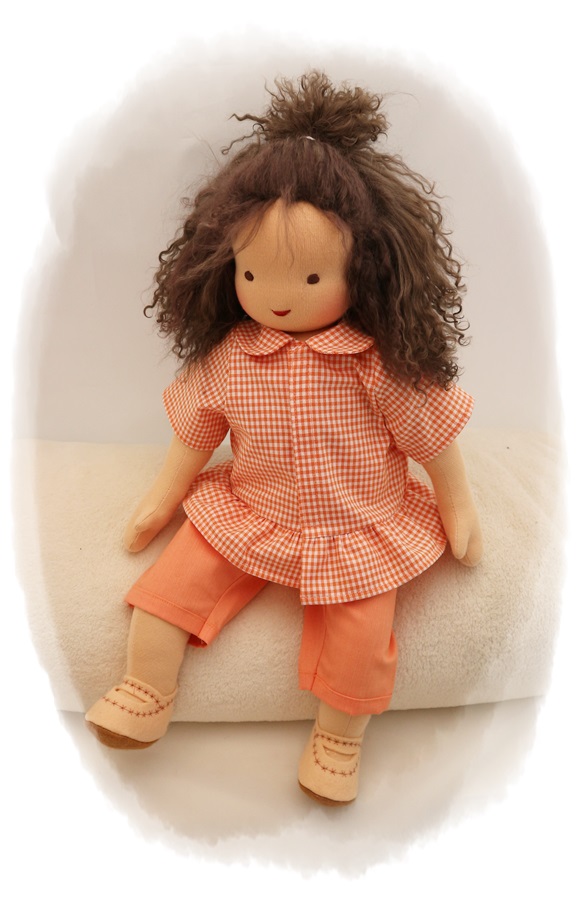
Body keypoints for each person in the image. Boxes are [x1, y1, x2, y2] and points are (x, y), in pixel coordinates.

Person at [86, 71, 482, 805]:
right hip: (250, 509)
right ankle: (145, 687)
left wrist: (457, 503)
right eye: (251, 272)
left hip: (358, 525)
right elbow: (198, 431)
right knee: (168, 588)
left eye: (310, 277)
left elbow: (430, 436)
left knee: (363, 638)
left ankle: (338, 740)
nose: (275, 297)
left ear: (364, 270)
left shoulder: (375, 363)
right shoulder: (232, 357)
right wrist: (165, 494)